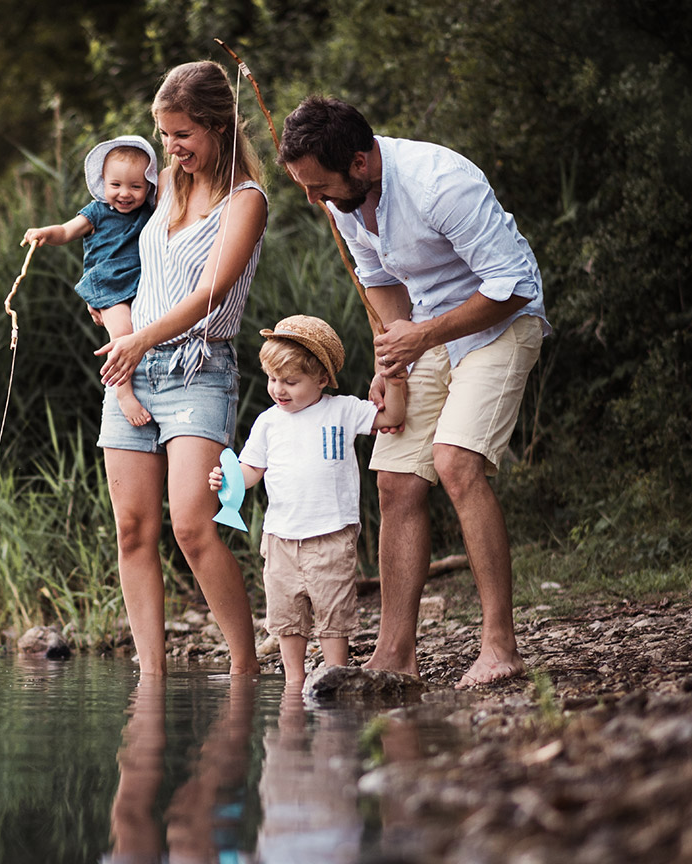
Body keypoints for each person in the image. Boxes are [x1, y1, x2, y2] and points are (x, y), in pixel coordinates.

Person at [278, 96, 551, 688]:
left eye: (319, 185)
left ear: (359, 161)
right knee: (396, 478)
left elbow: (514, 286)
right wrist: (391, 357)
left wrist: (421, 335)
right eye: (305, 187)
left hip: (501, 323)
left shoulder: (439, 184)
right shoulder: (344, 202)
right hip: (427, 332)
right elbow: (380, 283)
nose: (314, 199)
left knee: (455, 463)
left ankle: (500, 647)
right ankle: (395, 655)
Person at [94, 60, 269, 677]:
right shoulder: (163, 181)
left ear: (219, 127)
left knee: (194, 527)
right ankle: (151, 676)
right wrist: (120, 330)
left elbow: (212, 295)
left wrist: (138, 339)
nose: (171, 148)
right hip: (133, 370)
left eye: (183, 135)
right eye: (166, 135)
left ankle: (246, 668)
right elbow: (109, 257)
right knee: (132, 530)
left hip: (200, 368)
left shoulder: (247, 201)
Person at [208, 315, 406, 685]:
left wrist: (394, 379)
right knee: (286, 617)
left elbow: (392, 415)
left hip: (331, 534)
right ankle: (294, 683)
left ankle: (334, 676)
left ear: (322, 379)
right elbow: (251, 470)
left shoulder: (342, 409)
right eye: (273, 379)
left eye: (291, 381)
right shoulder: (269, 422)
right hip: (281, 537)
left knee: (334, 613)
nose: (278, 389)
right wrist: (227, 479)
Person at [24, 136, 161, 425]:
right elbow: (65, 231)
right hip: (108, 285)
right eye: (116, 185)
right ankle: (123, 393)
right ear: (103, 182)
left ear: (148, 185)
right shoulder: (97, 211)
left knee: (145, 331)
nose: (125, 194)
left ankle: (150, 383)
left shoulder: (150, 213)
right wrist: (44, 234)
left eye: (135, 186)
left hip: (140, 285)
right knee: (123, 334)